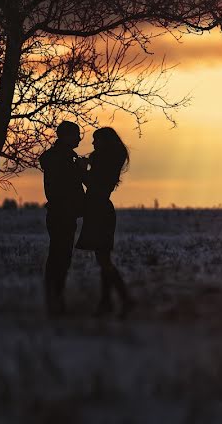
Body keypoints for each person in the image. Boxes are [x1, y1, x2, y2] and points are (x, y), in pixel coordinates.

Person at [75, 127, 134, 317]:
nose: (92, 144)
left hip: (99, 211)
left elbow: (95, 185)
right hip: (98, 211)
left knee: (104, 260)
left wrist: (83, 172)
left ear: (104, 142)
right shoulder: (107, 161)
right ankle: (107, 302)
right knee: (103, 260)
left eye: (95, 140)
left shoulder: (106, 164)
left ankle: (123, 300)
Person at [39, 121, 85, 316]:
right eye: (76, 135)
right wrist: (81, 170)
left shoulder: (58, 158)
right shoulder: (63, 159)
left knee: (58, 256)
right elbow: (67, 183)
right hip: (63, 212)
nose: (79, 139)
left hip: (62, 212)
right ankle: (55, 301)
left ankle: (55, 299)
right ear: (66, 136)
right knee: (60, 257)